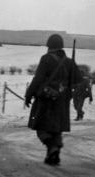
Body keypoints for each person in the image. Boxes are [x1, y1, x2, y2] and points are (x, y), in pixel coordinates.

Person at [24, 34, 82, 165]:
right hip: (62, 101)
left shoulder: (46, 59)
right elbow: (78, 80)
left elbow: (38, 79)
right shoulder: (69, 61)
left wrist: (29, 94)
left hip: (46, 99)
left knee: (41, 127)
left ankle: (52, 147)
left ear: (49, 46)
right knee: (56, 128)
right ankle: (53, 155)